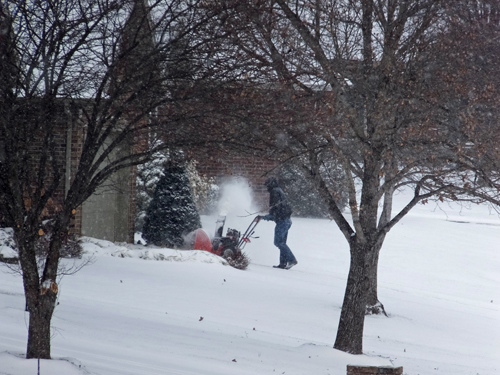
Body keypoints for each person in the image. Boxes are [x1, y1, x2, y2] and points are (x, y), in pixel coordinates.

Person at [258, 177, 297, 269]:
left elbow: (276, 209)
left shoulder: (274, 192)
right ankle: (283, 263)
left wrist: (264, 217)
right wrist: (266, 217)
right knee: (282, 243)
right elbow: (278, 209)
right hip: (287, 220)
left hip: (282, 221)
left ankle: (292, 260)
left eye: (267, 185)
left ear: (270, 184)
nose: (267, 187)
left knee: (278, 242)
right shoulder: (279, 191)